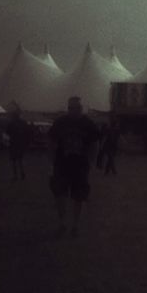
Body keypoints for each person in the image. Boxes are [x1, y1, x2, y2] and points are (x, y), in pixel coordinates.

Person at [49, 96, 100, 237]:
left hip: (80, 166)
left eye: (77, 108)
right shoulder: (60, 123)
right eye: (71, 108)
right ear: (68, 108)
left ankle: (75, 224)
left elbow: (94, 143)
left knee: (79, 197)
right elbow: (52, 142)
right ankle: (62, 222)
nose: (74, 111)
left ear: (81, 109)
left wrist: (92, 161)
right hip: (62, 165)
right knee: (60, 195)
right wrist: (52, 160)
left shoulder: (88, 124)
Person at [6, 110, 31, 181]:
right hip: (21, 143)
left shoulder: (11, 123)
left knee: (13, 160)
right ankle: (22, 173)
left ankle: (15, 175)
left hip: (13, 143)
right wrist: (27, 143)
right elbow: (28, 133)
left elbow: (7, 133)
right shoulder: (24, 123)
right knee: (20, 159)